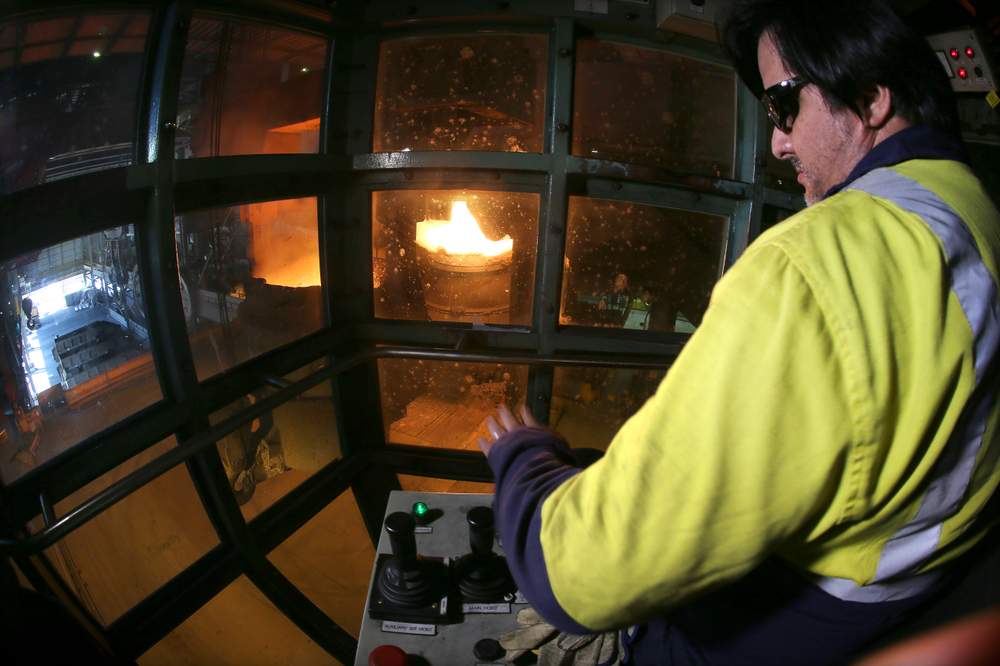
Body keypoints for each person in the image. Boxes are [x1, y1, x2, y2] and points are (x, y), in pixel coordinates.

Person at [477, 1, 1000, 664]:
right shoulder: (973, 211)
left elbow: (575, 572)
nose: (779, 142)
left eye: (784, 107)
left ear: (868, 99)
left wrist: (525, 457)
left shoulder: (815, 263)